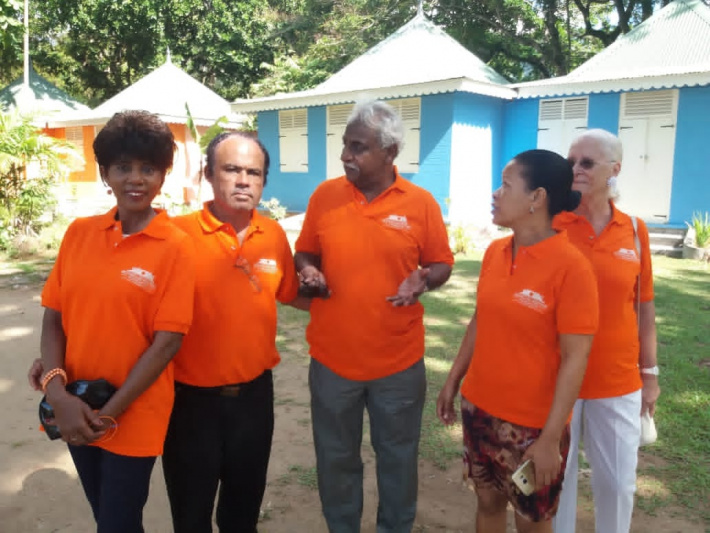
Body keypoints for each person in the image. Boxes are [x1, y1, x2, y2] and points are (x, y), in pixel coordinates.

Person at [295, 99, 454, 533]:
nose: (346, 155)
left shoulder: (420, 204)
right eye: (345, 145)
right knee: (335, 456)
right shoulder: (325, 196)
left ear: (390, 152)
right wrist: (308, 269)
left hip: (398, 363)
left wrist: (424, 280)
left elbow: (441, 262)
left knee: (398, 458)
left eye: (358, 147)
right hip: (332, 360)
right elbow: (305, 249)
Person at [37, 110, 196, 533]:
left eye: (148, 168)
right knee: (104, 514)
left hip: (134, 412)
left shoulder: (176, 247)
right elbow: (54, 319)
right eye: (123, 167)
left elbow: (167, 342)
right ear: (105, 172)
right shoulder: (78, 234)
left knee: (117, 522)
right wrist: (58, 396)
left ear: (163, 175)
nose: (135, 179)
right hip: (73, 406)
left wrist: (107, 415)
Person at [437, 149, 600, 533]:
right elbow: (481, 319)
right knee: (487, 502)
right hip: (480, 410)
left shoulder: (572, 268)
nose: (495, 193)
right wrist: (453, 379)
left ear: (536, 198)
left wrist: (549, 440)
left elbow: (577, 358)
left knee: (532, 519)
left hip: (532, 427)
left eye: (506, 185)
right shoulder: (495, 252)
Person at [161, 132, 302, 533]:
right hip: (189, 404)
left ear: (263, 181)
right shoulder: (175, 235)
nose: (244, 180)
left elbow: (292, 294)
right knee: (191, 517)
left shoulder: (273, 235)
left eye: (254, 173)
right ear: (208, 173)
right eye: (232, 169)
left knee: (242, 515)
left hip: (254, 401)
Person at [552, 129, 660, 533]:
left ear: (615, 169)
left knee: (617, 484)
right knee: (556, 482)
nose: (575, 170)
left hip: (617, 380)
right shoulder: (551, 224)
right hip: (556, 374)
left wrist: (649, 374)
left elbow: (644, 306)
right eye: (571, 162)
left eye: (586, 163)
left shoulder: (634, 230)